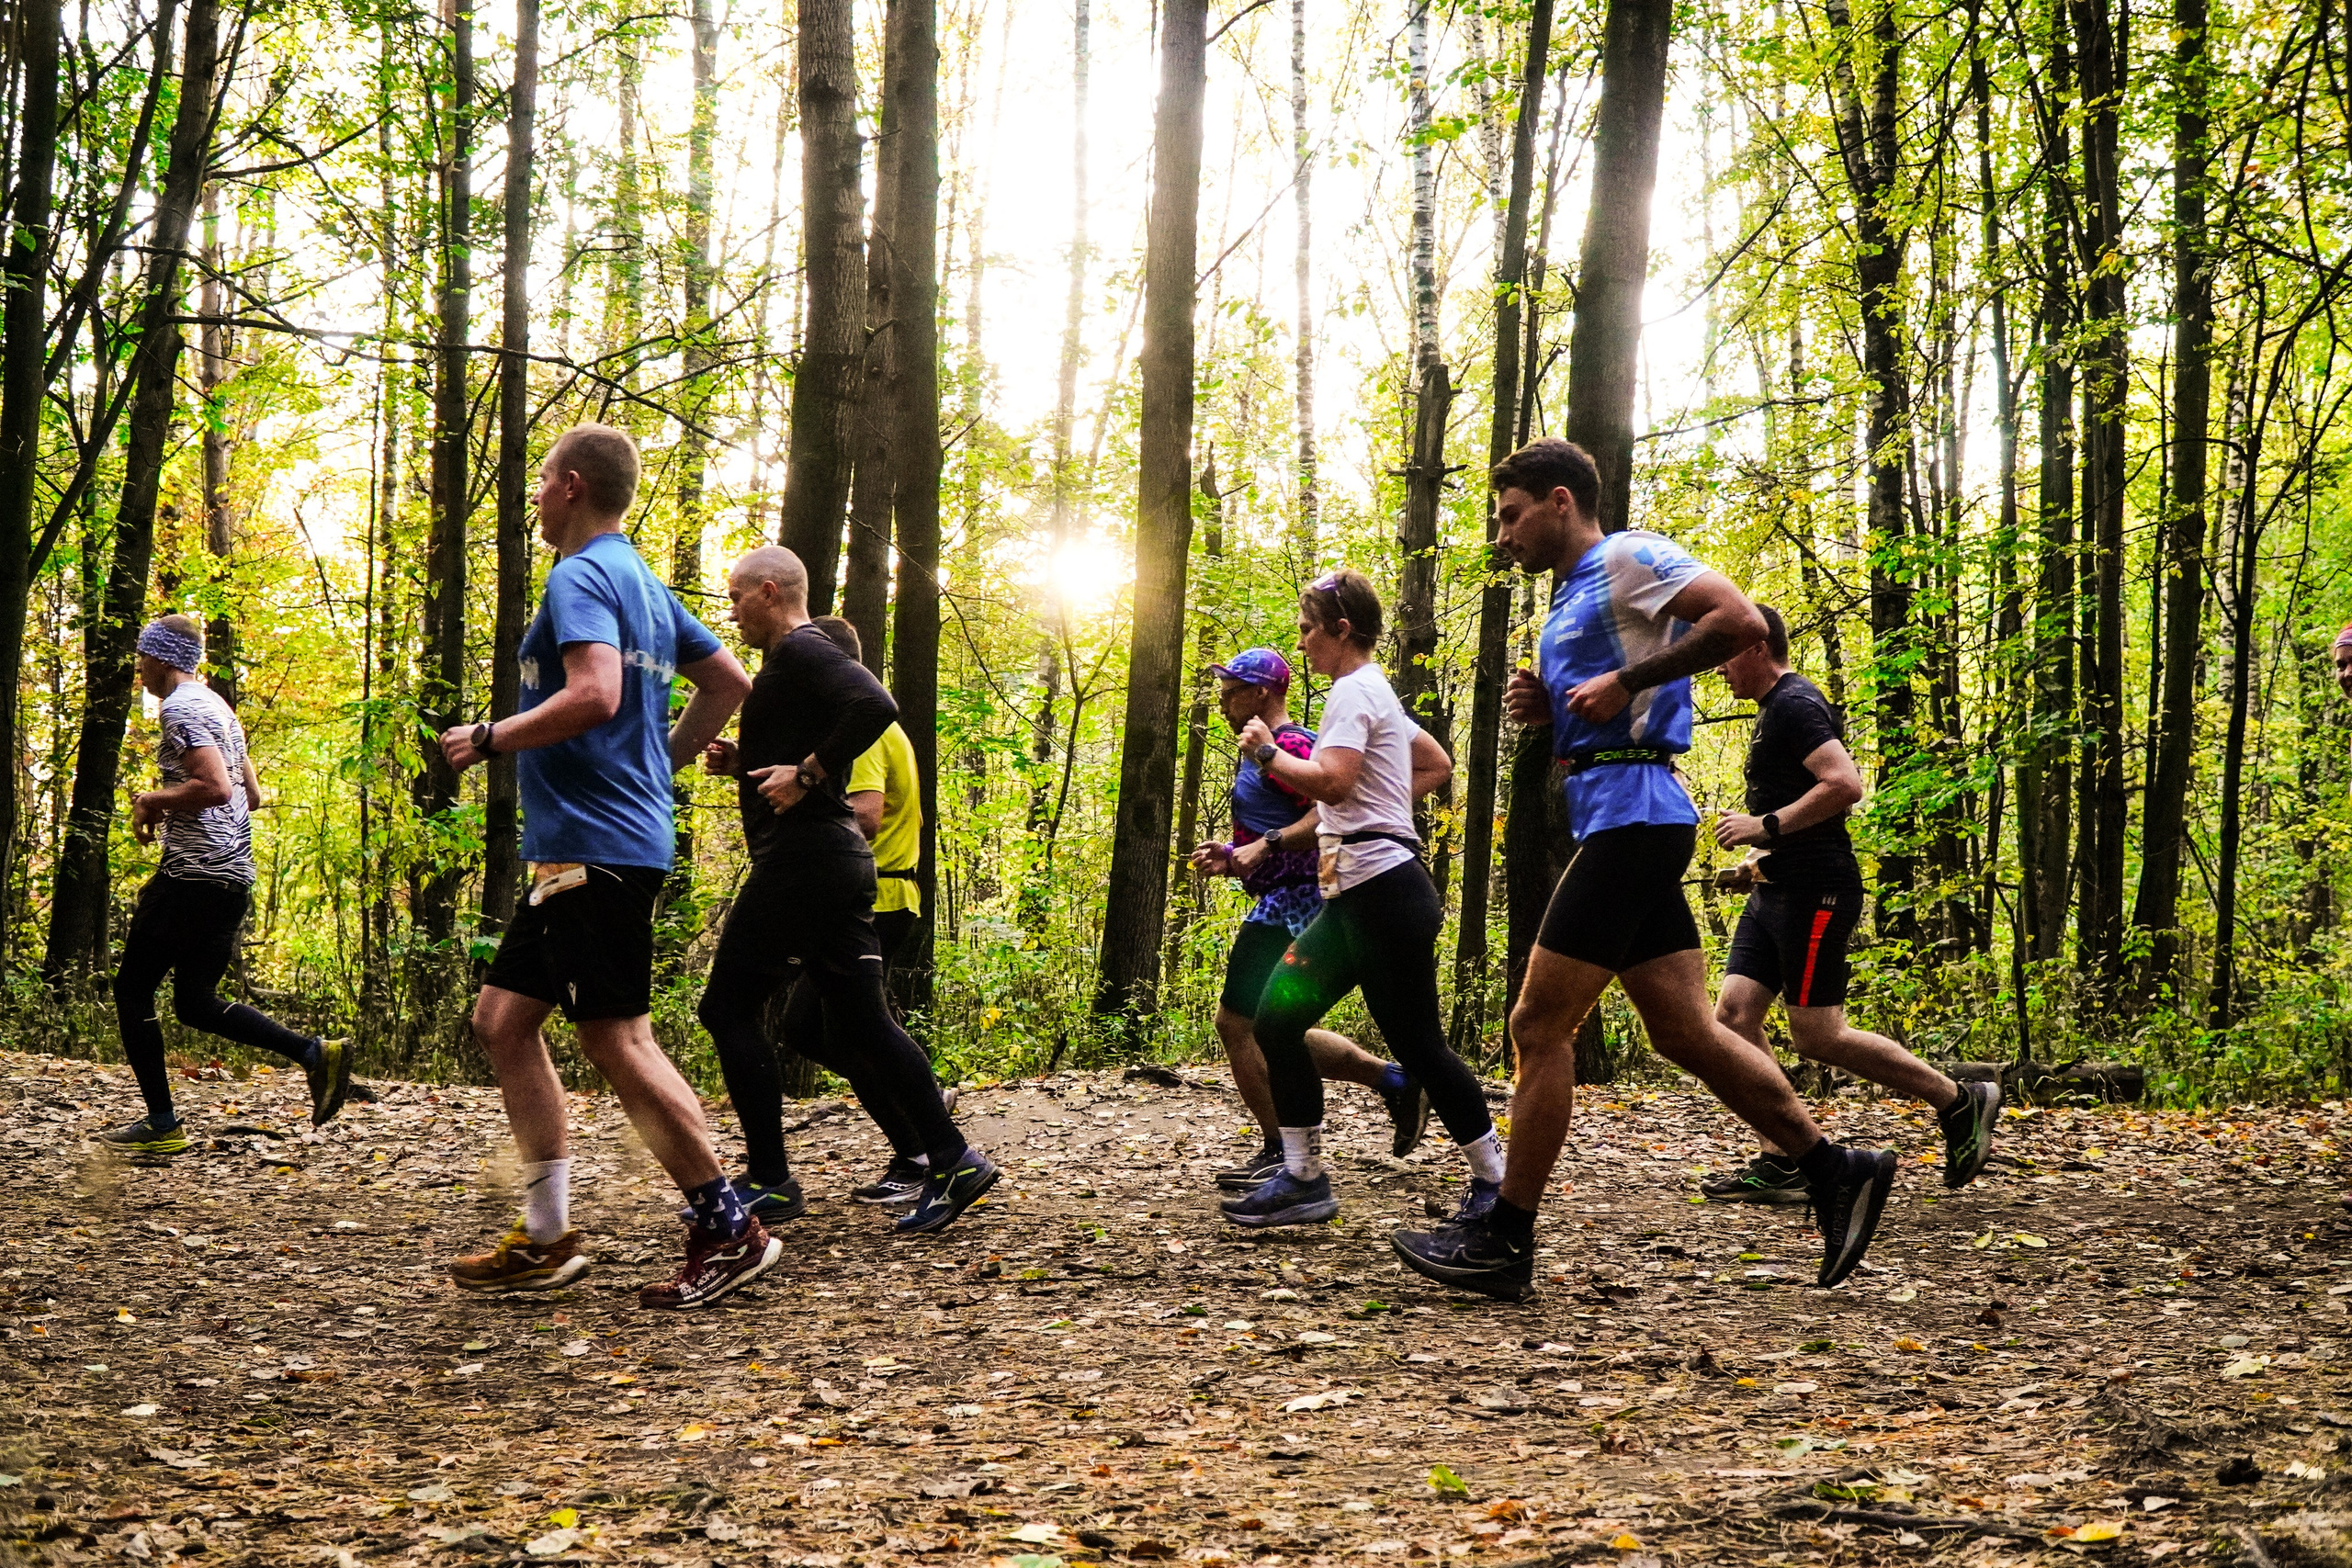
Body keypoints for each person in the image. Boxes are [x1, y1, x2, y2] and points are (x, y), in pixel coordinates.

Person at [1391, 438, 1897, 1299]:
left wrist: (1625, 681)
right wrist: (1553, 709)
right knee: (1687, 1031)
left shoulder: (1627, 556)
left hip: (1636, 819)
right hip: (1625, 816)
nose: (1503, 535)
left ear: (1560, 499)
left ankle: (1506, 1237)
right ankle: (1833, 1168)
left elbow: (1739, 621)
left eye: (1512, 515)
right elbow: (1606, 706)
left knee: (1536, 1026)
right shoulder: (1570, 594)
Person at [437, 423, 776, 1310]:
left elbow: (595, 693)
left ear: (573, 485)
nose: (536, 496)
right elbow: (730, 683)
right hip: (583, 848)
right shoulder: (646, 584)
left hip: (597, 846)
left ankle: (728, 1224)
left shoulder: (582, 574)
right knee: (503, 1020)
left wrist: (489, 737)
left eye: (543, 479)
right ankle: (546, 1235)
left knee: (616, 1038)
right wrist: (659, 763)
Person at [698, 548, 997, 1235]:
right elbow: (818, 745)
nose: (732, 612)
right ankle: (953, 1159)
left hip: (805, 862)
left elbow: (875, 703)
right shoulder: (792, 664)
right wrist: (750, 763)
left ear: (769, 591)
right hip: (832, 862)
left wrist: (806, 774)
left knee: (727, 1009)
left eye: (737, 597)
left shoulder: (803, 648)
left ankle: (770, 1180)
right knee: (864, 1023)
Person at [1220, 571, 1505, 1231]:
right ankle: (1302, 1178)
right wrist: (1384, 810)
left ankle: (1496, 1181)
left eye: (1308, 629)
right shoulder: (1375, 691)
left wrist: (1267, 754)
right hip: (1359, 896)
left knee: (1418, 1044)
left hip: (1382, 896)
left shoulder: (1353, 691)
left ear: (1342, 629)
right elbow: (1434, 763)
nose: (1302, 642)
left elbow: (1335, 782)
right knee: (1278, 1020)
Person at [1702, 604, 2001, 1202]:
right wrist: (1755, 860)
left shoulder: (1795, 703)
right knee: (1732, 1018)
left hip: (1816, 892)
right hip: (1776, 887)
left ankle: (1957, 1100)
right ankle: (1783, 1157)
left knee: (1818, 1035)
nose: (1718, 668)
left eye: (1724, 653)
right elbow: (1799, 808)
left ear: (1758, 647)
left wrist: (1763, 825)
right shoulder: (1773, 711)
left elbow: (1844, 784)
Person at [1184, 645, 1433, 1191]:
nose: (1222, 702)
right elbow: (1284, 827)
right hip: (1283, 899)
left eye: (1231, 691)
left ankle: (1285, 1152)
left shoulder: (1291, 745)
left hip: (1298, 904)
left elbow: (1325, 814)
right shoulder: (1265, 747)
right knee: (1269, 1025)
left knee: (1240, 1025)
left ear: (1260, 693)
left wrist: (1268, 845)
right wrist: (1235, 854)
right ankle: (1392, 1081)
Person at [101, 615, 352, 1153]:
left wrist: (152, 800)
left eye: (142, 656)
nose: (138, 667)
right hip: (232, 877)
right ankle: (313, 1053)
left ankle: (162, 1126)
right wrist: (173, 803)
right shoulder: (218, 707)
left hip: (193, 877)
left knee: (132, 989)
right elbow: (249, 796)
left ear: (162, 658)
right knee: (194, 1002)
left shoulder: (181, 708)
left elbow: (215, 787)